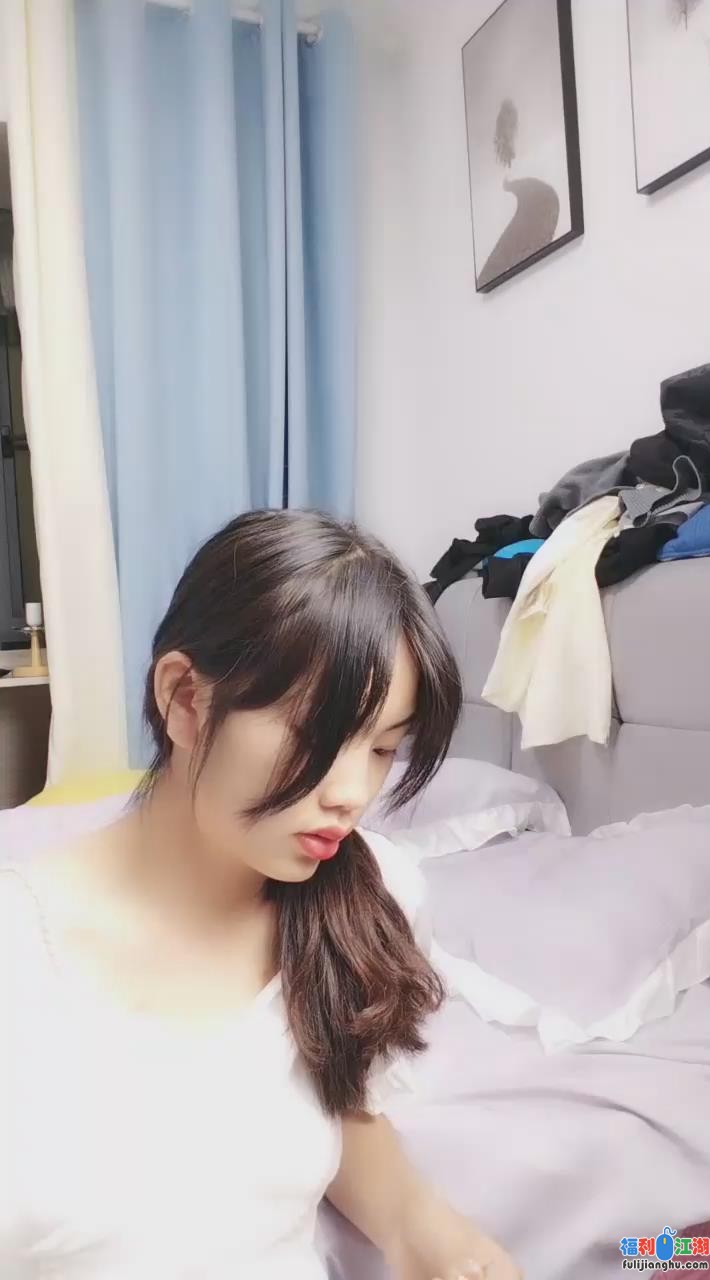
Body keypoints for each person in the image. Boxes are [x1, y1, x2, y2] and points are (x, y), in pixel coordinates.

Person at [0, 509, 521, 1280]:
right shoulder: (21, 954)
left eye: (383, 748)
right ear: (185, 699)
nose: (352, 793)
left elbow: (338, 1103)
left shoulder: (368, 901)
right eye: (317, 736)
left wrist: (427, 1232)